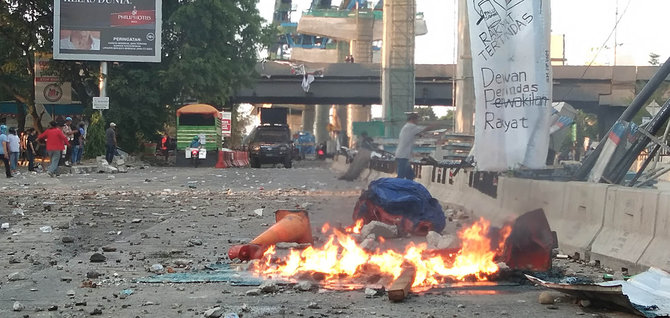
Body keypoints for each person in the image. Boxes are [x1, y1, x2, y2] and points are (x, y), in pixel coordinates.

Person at [395, 113, 436, 180]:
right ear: (413, 119)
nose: (418, 121)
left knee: (410, 176)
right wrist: (432, 126)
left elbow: (417, 133)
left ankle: (408, 189)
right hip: (403, 156)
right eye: (417, 119)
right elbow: (423, 129)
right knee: (401, 177)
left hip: (403, 155)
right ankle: (396, 188)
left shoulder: (407, 127)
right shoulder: (410, 127)